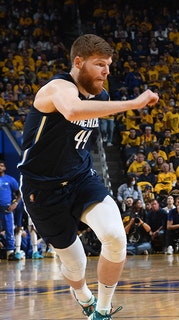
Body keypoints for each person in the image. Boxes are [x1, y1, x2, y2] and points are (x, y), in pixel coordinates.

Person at [17, 34, 159, 319]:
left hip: (82, 179)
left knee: (115, 236)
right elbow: (71, 110)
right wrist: (132, 103)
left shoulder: (100, 95)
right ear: (78, 62)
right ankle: (83, 296)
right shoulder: (56, 87)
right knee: (75, 264)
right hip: (42, 189)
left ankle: (103, 310)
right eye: (99, 64)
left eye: (108, 65)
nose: (106, 71)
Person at [0, 160, 22, 260]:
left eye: (1, 166)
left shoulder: (10, 179)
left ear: (4, 168)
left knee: (9, 230)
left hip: (7, 209)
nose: (0, 167)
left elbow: (19, 193)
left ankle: (10, 253)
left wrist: (15, 203)